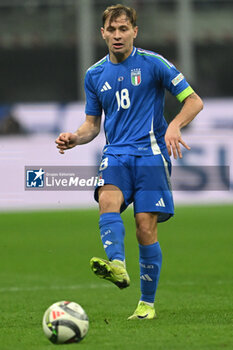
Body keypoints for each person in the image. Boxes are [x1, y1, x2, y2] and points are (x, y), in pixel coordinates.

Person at [55, 4, 203, 320]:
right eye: (112, 29)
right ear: (103, 33)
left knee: (144, 227)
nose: (118, 35)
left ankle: (146, 305)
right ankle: (118, 266)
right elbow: (92, 125)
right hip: (116, 153)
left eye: (124, 29)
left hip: (151, 154)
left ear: (135, 31)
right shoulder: (94, 74)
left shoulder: (154, 64)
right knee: (107, 199)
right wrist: (75, 138)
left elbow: (194, 101)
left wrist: (174, 125)